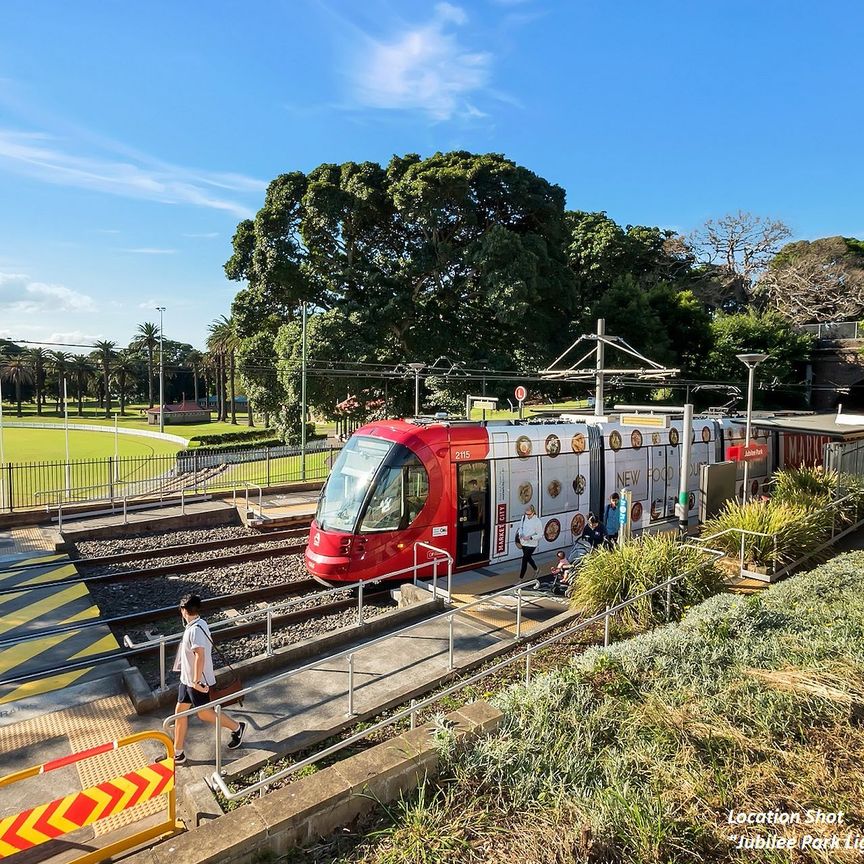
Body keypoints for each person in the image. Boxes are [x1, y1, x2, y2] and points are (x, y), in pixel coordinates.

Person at [171, 594, 246, 765]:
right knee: (180, 713)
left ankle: (237, 727)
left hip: (196, 682)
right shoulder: (199, 623)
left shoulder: (195, 630)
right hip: (187, 679)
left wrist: (197, 682)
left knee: (204, 714)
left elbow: (200, 656)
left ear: (183, 611)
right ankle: (178, 753)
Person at [517, 504, 543, 579]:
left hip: (532, 544)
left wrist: (531, 537)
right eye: (526, 514)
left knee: (524, 559)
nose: (527, 516)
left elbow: (540, 534)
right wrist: (521, 534)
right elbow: (520, 527)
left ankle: (520, 579)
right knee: (528, 558)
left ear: (533, 512)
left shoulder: (537, 521)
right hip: (524, 542)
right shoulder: (524, 517)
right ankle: (537, 570)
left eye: (529, 514)